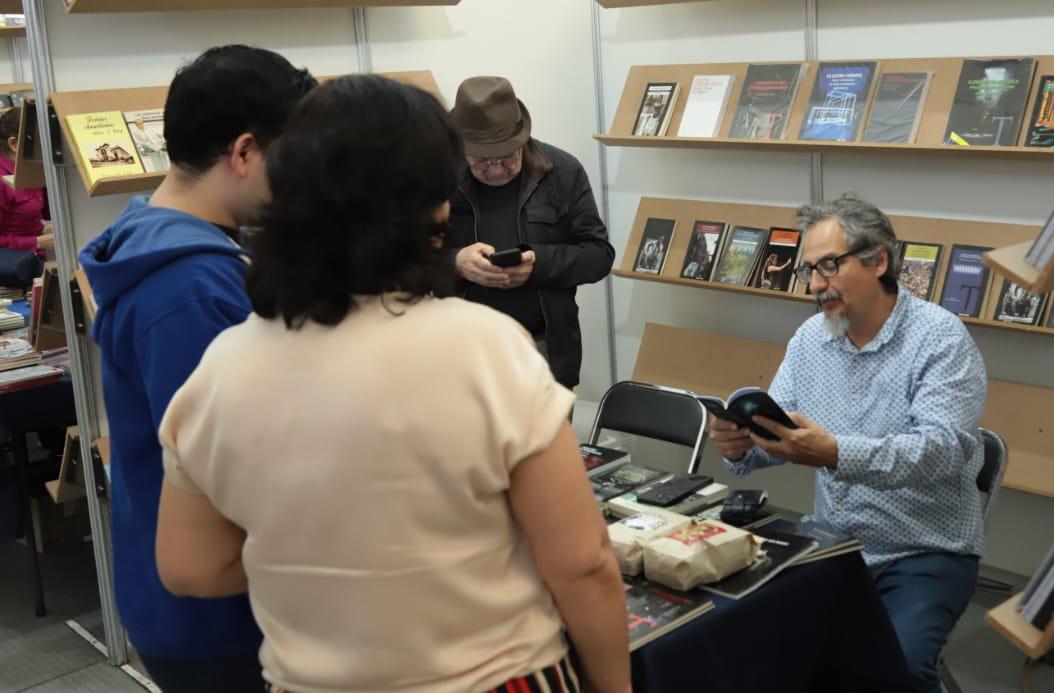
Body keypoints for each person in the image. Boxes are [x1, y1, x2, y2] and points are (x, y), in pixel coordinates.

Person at [153, 75, 630, 693]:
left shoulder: (222, 365)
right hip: (492, 676)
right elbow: (582, 562)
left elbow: (191, 568)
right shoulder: (483, 348)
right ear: (430, 206)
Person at [79, 45, 316, 692]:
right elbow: (229, 466)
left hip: (181, 593)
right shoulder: (191, 285)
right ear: (244, 152)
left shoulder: (152, 233)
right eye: (290, 161)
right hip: (214, 612)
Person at [707, 193, 986, 693]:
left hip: (922, 553)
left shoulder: (940, 339)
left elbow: (944, 451)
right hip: (832, 543)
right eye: (809, 270)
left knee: (894, 671)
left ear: (878, 260)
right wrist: (740, 444)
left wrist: (835, 453)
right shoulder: (811, 339)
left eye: (829, 267)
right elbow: (782, 433)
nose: (816, 286)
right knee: (737, 640)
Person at [445, 76, 613, 390]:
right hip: (461, 352)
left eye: (507, 157)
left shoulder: (562, 171)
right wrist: (456, 262)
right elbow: (407, 258)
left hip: (544, 349)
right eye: (482, 161)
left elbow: (599, 255)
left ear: (522, 139)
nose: (495, 170)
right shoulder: (439, 176)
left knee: (551, 441)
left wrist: (539, 264)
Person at [0, 107, 51, 254]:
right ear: (13, 144)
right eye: (39, 141)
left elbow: (45, 212)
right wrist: (36, 242)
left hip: (34, 258)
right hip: (14, 264)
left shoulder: (30, 168)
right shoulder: (2, 180)